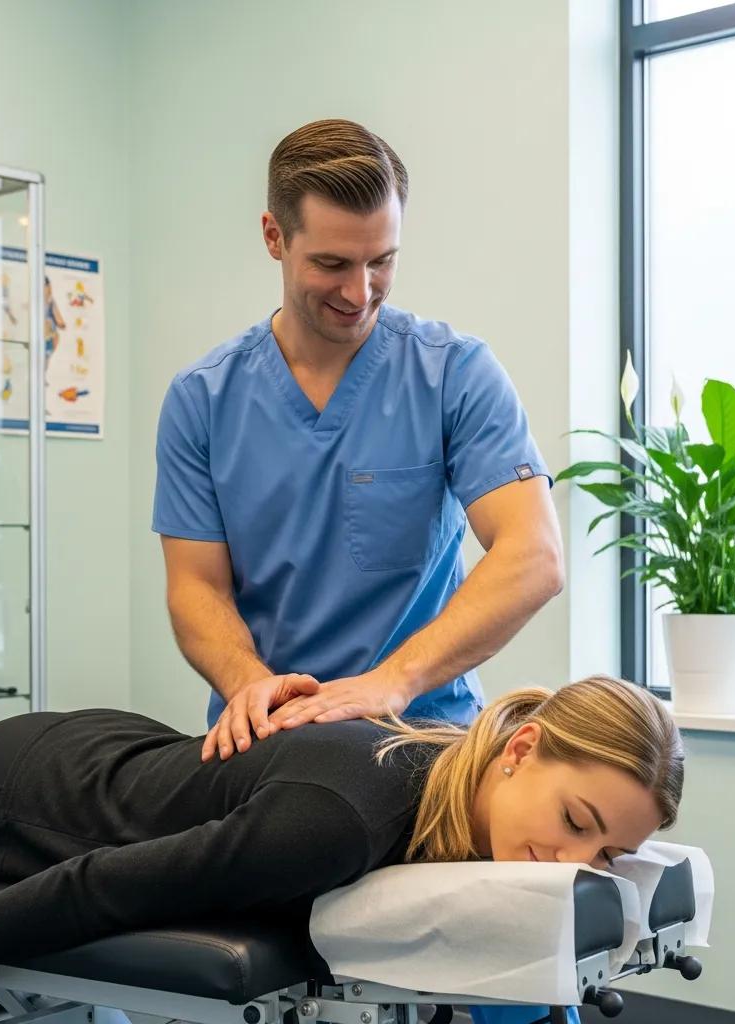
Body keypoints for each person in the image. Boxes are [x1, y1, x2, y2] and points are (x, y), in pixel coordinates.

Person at [0, 676, 682, 1019]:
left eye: (605, 856)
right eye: (574, 823)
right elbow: (108, 883)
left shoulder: (455, 773)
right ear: (521, 749)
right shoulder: (340, 822)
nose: (573, 868)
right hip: (38, 796)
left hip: (118, 751)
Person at [152, 119, 564, 763]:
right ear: (273, 237)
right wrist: (252, 687)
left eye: (382, 261)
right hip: (269, 740)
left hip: (423, 736)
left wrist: (390, 684)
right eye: (332, 264)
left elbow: (533, 556)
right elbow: (197, 588)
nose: (359, 291)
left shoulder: (454, 372)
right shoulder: (202, 399)